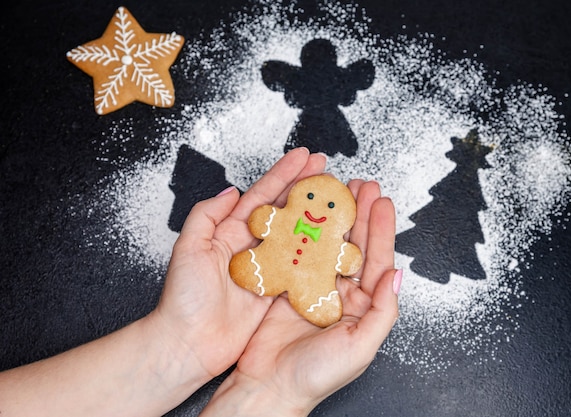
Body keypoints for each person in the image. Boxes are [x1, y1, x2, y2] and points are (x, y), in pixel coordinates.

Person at [0, 147, 401, 417]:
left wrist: (178, 345)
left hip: (309, 286)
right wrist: (274, 397)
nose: (319, 209)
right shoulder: (283, 217)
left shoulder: (331, 240)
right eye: (316, 200)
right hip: (266, 267)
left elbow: (344, 258)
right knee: (258, 267)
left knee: (314, 293)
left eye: (330, 207)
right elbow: (265, 221)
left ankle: (310, 298)